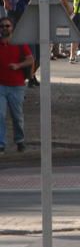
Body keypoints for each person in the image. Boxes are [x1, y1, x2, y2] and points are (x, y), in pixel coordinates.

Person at [0, 16, 32, 153]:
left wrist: (18, 65)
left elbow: (30, 60)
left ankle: (19, 141)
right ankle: (1, 143)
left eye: (7, 26)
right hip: (1, 85)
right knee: (0, 115)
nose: (5, 28)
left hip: (17, 86)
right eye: (2, 26)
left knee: (17, 116)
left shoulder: (20, 43)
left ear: (12, 28)